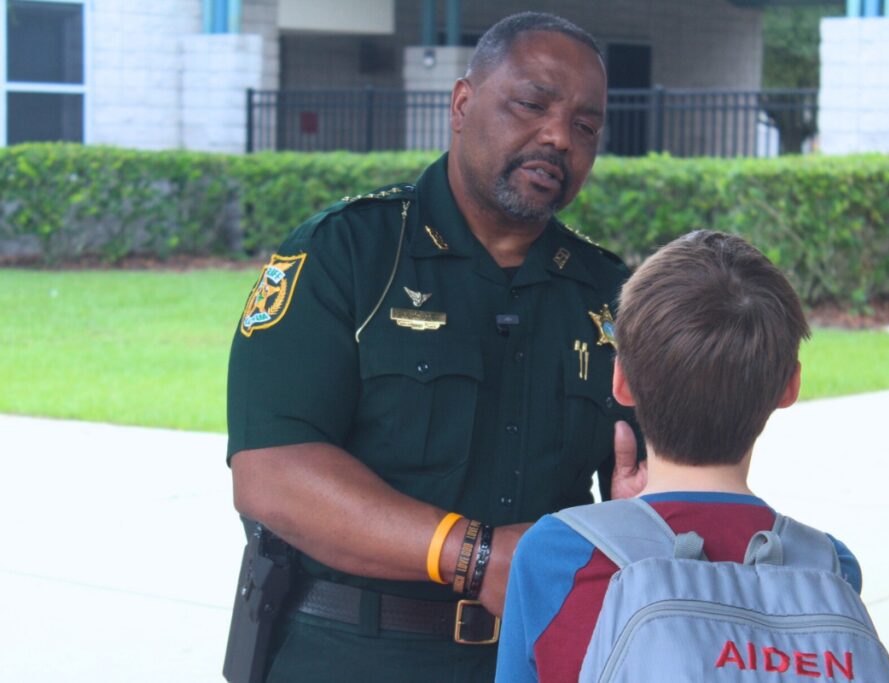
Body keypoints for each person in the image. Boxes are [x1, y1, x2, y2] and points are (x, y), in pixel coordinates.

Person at [226, 12, 643, 682]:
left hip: (541, 655)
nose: (559, 137)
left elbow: (655, 484)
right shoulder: (346, 253)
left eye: (586, 126)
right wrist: (474, 556)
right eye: (532, 104)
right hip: (351, 653)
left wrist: (641, 515)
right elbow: (271, 474)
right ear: (462, 103)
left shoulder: (611, 294)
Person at [495, 230, 863, 683]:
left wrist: (625, 522)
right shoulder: (829, 567)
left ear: (621, 382)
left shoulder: (558, 554)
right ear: (790, 387)